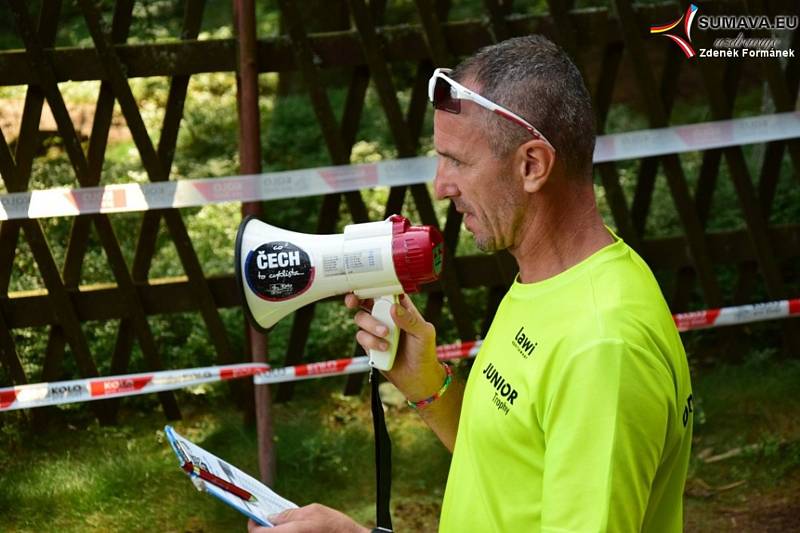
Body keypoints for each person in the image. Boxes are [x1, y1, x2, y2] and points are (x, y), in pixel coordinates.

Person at [251, 34, 693, 533]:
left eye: (457, 160)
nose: (441, 185)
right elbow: (514, 464)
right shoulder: (551, 279)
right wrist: (429, 386)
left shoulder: (602, 347)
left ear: (532, 165)